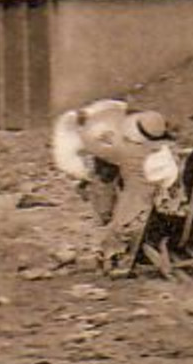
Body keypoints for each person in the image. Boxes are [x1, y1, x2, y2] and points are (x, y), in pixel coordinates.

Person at [52, 102, 181, 277]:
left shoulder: (139, 166)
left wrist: (112, 240)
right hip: (176, 203)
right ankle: (104, 212)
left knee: (112, 183)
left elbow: (132, 208)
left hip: (156, 210)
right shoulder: (161, 155)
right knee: (108, 173)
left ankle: (112, 246)